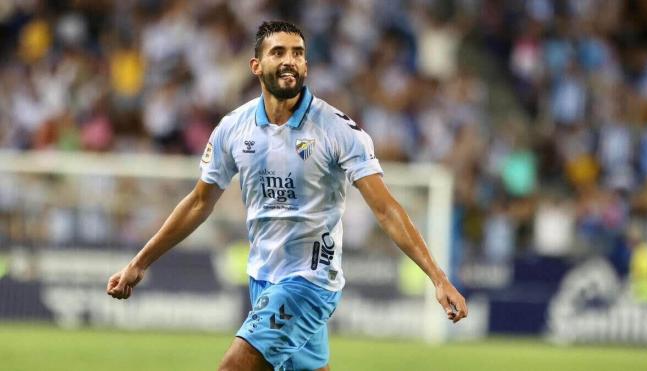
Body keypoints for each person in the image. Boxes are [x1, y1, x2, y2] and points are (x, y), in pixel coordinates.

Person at [107, 20, 467, 371]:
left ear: (306, 64)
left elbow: (387, 209)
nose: (289, 60)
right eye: (278, 52)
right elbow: (199, 202)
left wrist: (438, 278)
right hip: (263, 278)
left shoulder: (338, 130)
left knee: (235, 366)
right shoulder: (233, 128)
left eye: (297, 53)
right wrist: (139, 263)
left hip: (310, 281)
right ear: (256, 65)